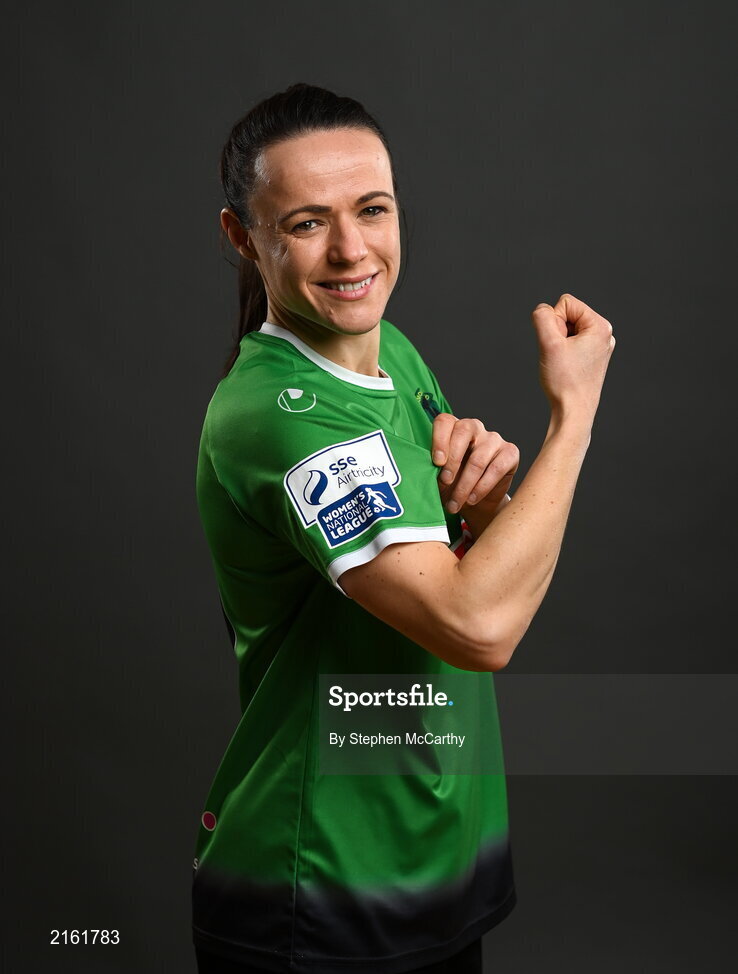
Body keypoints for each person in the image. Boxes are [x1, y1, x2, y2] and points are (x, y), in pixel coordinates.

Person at [192, 83, 615, 974]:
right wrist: (572, 418)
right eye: (306, 223)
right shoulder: (277, 414)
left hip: (440, 856)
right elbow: (478, 625)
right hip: (321, 887)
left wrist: (489, 502)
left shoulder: (396, 354)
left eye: (372, 209)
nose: (353, 251)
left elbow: (467, 575)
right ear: (243, 238)